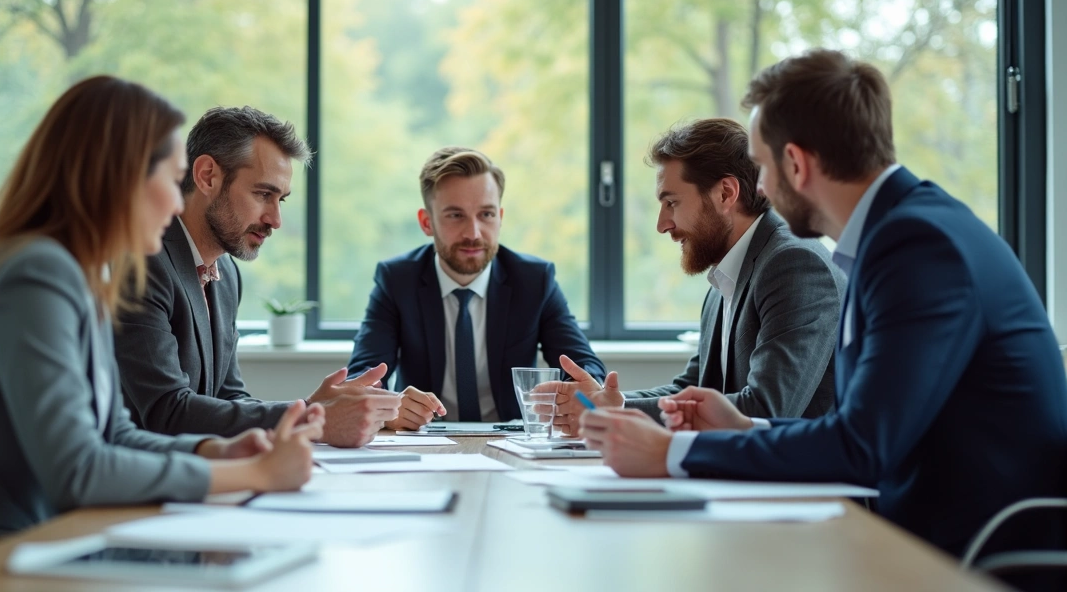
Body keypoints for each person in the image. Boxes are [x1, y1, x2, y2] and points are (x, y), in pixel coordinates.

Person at [579, 49, 1067, 566]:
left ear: (796, 163)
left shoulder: (917, 246)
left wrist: (672, 453)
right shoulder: (903, 231)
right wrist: (745, 429)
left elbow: (862, 447)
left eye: (762, 168)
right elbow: (862, 428)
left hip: (975, 553)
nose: (760, 188)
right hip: (923, 533)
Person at [0, 77, 323, 571]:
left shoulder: (79, 274)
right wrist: (254, 474)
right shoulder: (33, 273)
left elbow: (113, 433)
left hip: (30, 540)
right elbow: (78, 470)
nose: (179, 204)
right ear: (121, 178)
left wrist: (215, 450)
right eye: (170, 180)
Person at [113, 106, 400, 448]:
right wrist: (310, 416)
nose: (276, 219)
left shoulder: (226, 273)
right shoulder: (145, 263)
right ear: (206, 176)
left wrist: (311, 409)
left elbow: (229, 398)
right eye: (263, 194)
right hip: (136, 486)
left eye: (281, 199)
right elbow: (166, 413)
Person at [544, 118, 844, 436]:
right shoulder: (726, 277)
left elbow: (765, 410)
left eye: (672, 203)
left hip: (802, 481)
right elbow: (691, 388)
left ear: (726, 194)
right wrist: (607, 403)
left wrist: (615, 411)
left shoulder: (794, 265)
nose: (662, 225)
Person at [348, 147, 605, 429]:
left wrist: (583, 397)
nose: (473, 233)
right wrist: (388, 408)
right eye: (456, 215)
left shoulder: (534, 280)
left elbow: (586, 368)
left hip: (510, 441)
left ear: (500, 216)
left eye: (486, 214)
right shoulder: (397, 280)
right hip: (424, 442)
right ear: (426, 222)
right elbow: (362, 377)